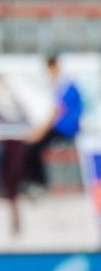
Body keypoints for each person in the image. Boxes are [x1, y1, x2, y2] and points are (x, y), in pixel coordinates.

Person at [23, 56, 83, 192]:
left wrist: (38, 133)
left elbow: (56, 114)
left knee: (34, 147)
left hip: (65, 129)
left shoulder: (65, 85)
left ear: (54, 67)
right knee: (33, 144)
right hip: (62, 127)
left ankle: (38, 182)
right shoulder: (63, 84)